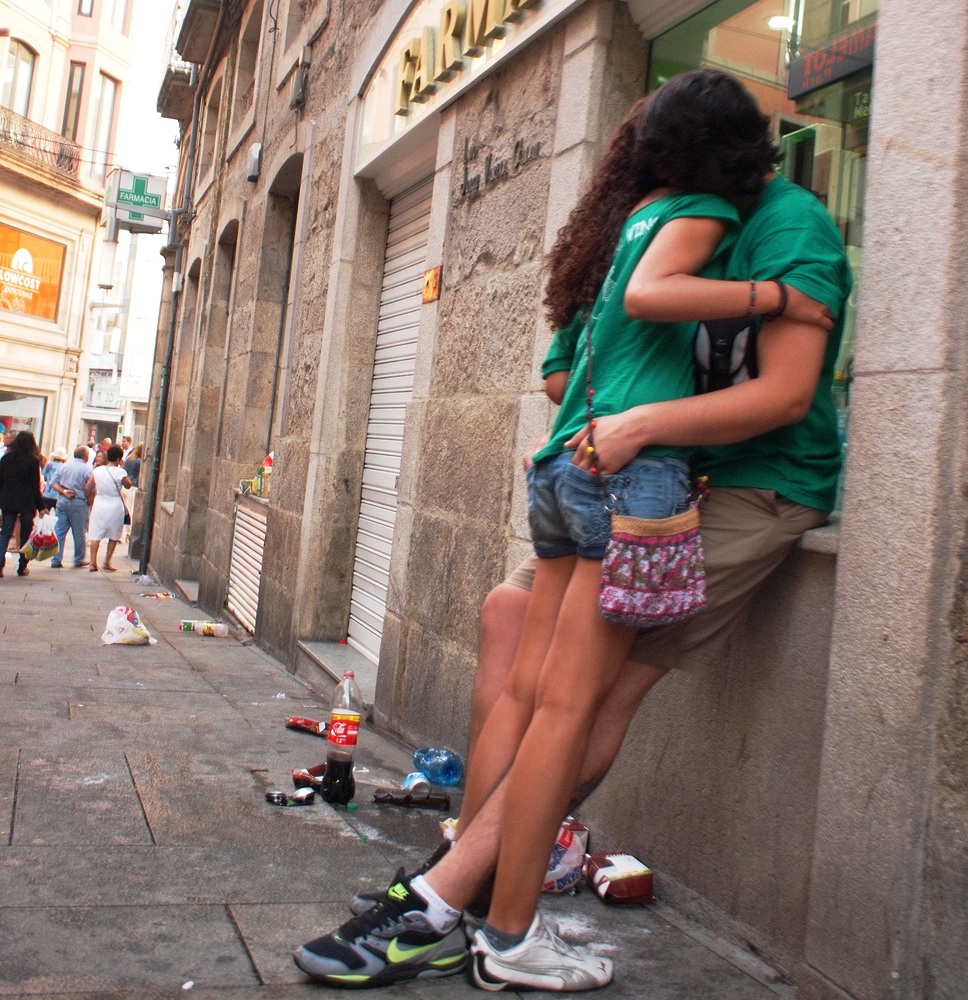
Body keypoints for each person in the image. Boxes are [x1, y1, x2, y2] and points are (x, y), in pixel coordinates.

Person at [294, 69, 847, 992]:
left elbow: (786, 394)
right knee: (510, 625)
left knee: (587, 696)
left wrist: (639, 419)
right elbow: (567, 371)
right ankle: (467, 880)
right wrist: (613, 416)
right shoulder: (659, 220)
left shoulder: (782, 222)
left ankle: (450, 901)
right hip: (629, 473)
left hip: (745, 484)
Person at [0, 431, 43, 578]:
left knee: (5, 533)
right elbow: (35, 487)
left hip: (8, 501)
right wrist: (41, 506)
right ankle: (22, 566)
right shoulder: (32, 461)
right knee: (25, 535)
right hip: (26, 503)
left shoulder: (6, 459)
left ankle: (0, 565)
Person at [85, 445, 131, 571]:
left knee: (96, 534)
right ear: (118, 459)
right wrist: (122, 468)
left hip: (99, 504)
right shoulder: (121, 472)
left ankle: (93, 563)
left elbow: (87, 487)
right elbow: (128, 485)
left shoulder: (98, 471)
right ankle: (107, 561)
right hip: (115, 505)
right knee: (114, 535)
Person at [50, 446, 95, 568]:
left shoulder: (64, 466)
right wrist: (89, 504)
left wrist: (63, 491)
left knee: (60, 530)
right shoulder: (88, 470)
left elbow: (53, 483)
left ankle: (56, 559)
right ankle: (79, 558)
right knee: (79, 532)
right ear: (85, 456)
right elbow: (92, 489)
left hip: (63, 500)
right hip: (79, 501)